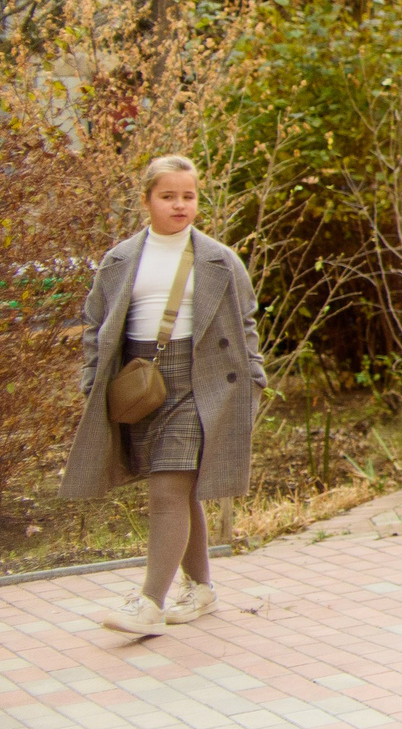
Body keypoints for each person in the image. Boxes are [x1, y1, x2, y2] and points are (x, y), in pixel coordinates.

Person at [69, 156, 266, 636]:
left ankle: (148, 602)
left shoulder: (220, 258)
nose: (180, 205)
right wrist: (94, 380)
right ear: (146, 200)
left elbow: (246, 325)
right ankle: (201, 588)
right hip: (140, 382)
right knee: (179, 489)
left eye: (189, 196)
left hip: (202, 383)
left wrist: (254, 380)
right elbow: (96, 326)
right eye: (168, 196)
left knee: (166, 490)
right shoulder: (119, 260)